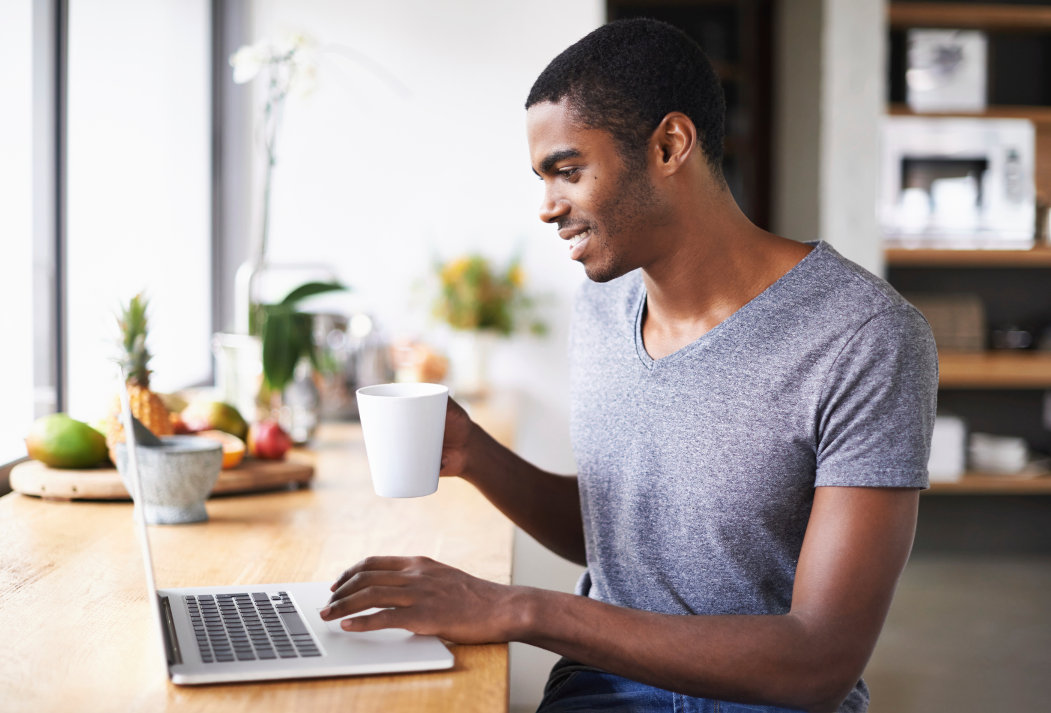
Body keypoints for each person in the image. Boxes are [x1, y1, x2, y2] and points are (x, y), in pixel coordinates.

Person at [321, 18, 937, 713]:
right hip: (600, 688)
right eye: (542, 177)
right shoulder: (603, 305)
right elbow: (631, 542)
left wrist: (520, 609)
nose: (548, 206)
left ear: (669, 145)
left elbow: (817, 658)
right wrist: (476, 456)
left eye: (568, 170)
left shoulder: (864, 336)